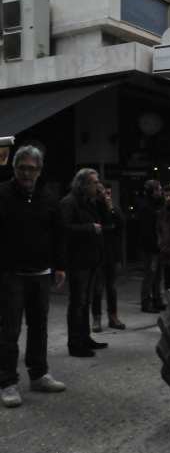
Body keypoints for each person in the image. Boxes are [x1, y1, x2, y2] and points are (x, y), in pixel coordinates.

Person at [0, 146, 67, 407]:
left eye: (32, 168)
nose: (26, 172)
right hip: (10, 275)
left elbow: (58, 234)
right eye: (22, 167)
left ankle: (39, 375)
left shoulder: (48, 197)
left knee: (39, 327)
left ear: (39, 171)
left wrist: (60, 266)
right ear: (14, 168)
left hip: (41, 274)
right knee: (9, 330)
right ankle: (7, 382)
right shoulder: (2, 194)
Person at [60, 168, 108, 357]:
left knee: (85, 301)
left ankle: (85, 338)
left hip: (91, 259)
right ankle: (75, 343)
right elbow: (63, 229)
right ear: (84, 184)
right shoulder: (69, 202)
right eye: (95, 182)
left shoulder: (90, 202)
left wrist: (104, 201)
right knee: (78, 302)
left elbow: (107, 221)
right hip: (78, 261)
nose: (98, 186)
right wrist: (89, 228)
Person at [91, 182, 126, 332]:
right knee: (97, 288)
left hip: (112, 253)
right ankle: (96, 318)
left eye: (109, 193)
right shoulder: (93, 207)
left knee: (112, 287)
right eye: (104, 193)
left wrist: (111, 207)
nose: (107, 196)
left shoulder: (113, 208)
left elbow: (122, 224)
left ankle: (113, 316)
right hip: (98, 253)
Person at [138, 180, 164, 313]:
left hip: (154, 246)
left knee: (156, 276)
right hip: (151, 247)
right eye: (158, 189)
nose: (161, 192)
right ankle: (146, 303)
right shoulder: (147, 207)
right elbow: (147, 231)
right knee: (150, 275)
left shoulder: (153, 205)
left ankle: (156, 300)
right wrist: (155, 246)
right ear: (153, 191)